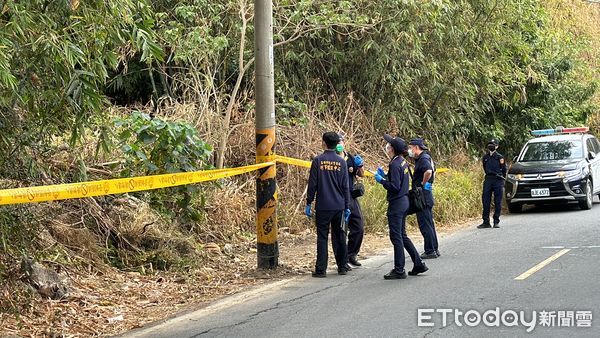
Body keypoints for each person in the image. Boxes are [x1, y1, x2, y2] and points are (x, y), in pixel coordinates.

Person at [374, 134, 428, 280]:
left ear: (392, 149)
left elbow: (395, 186)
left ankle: (399, 269)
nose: (387, 147)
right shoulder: (402, 162)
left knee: (396, 237)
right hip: (404, 201)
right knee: (402, 236)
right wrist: (385, 176)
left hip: (397, 203)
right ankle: (418, 263)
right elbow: (397, 180)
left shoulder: (395, 163)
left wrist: (382, 181)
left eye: (389, 145)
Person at [306, 132, 352, 277]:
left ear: (324, 143)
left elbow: (312, 184)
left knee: (322, 237)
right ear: (336, 144)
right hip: (339, 206)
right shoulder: (342, 162)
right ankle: (343, 266)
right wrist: (347, 206)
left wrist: (309, 202)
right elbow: (345, 186)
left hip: (323, 206)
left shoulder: (318, 161)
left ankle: (321, 270)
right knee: (340, 236)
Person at [408, 138, 440, 259]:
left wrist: (422, 183)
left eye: (411, 147)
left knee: (425, 224)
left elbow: (428, 171)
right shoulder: (426, 157)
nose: (410, 150)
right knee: (429, 223)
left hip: (423, 195)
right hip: (425, 194)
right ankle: (434, 248)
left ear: (416, 147)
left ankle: (430, 250)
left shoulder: (423, 158)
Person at [336, 134, 365, 267]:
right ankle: (342, 261)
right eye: (337, 142)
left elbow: (361, 174)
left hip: (351, 197)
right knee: (341, 230)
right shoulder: (332, 159)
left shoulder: (350, 157)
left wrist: (360, 166)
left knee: (358, 226)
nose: (339, 144)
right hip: (338, 198)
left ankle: (351, 254)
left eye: (340, 141)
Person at [479, 139, 507, 229]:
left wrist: (501, 178)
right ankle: (486, 222)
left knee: (497, 201)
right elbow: (485, 168)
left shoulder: (500, 157)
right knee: (485, 200)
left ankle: (496, 221)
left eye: (493, 144)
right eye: (489, 144)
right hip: (488, 179)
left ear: (497, 146)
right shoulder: (485, 157)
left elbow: (504, 169)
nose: (491, 146)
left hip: (498, 180)